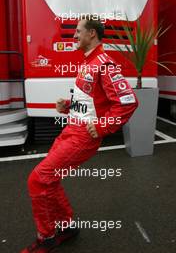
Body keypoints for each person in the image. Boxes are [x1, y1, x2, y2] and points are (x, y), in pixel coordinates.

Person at [21, 15, 138, 253]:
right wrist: (69, 105)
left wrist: (105, 126)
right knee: (49, 179)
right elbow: (91, 100)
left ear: (91, 34)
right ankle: (67, 226)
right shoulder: (87, 62)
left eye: (78, 31)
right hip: (70, 130)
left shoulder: (104, 63)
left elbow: (128, 102)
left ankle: (47, 238)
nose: (74, 35)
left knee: (38, 179)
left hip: (83, 136)